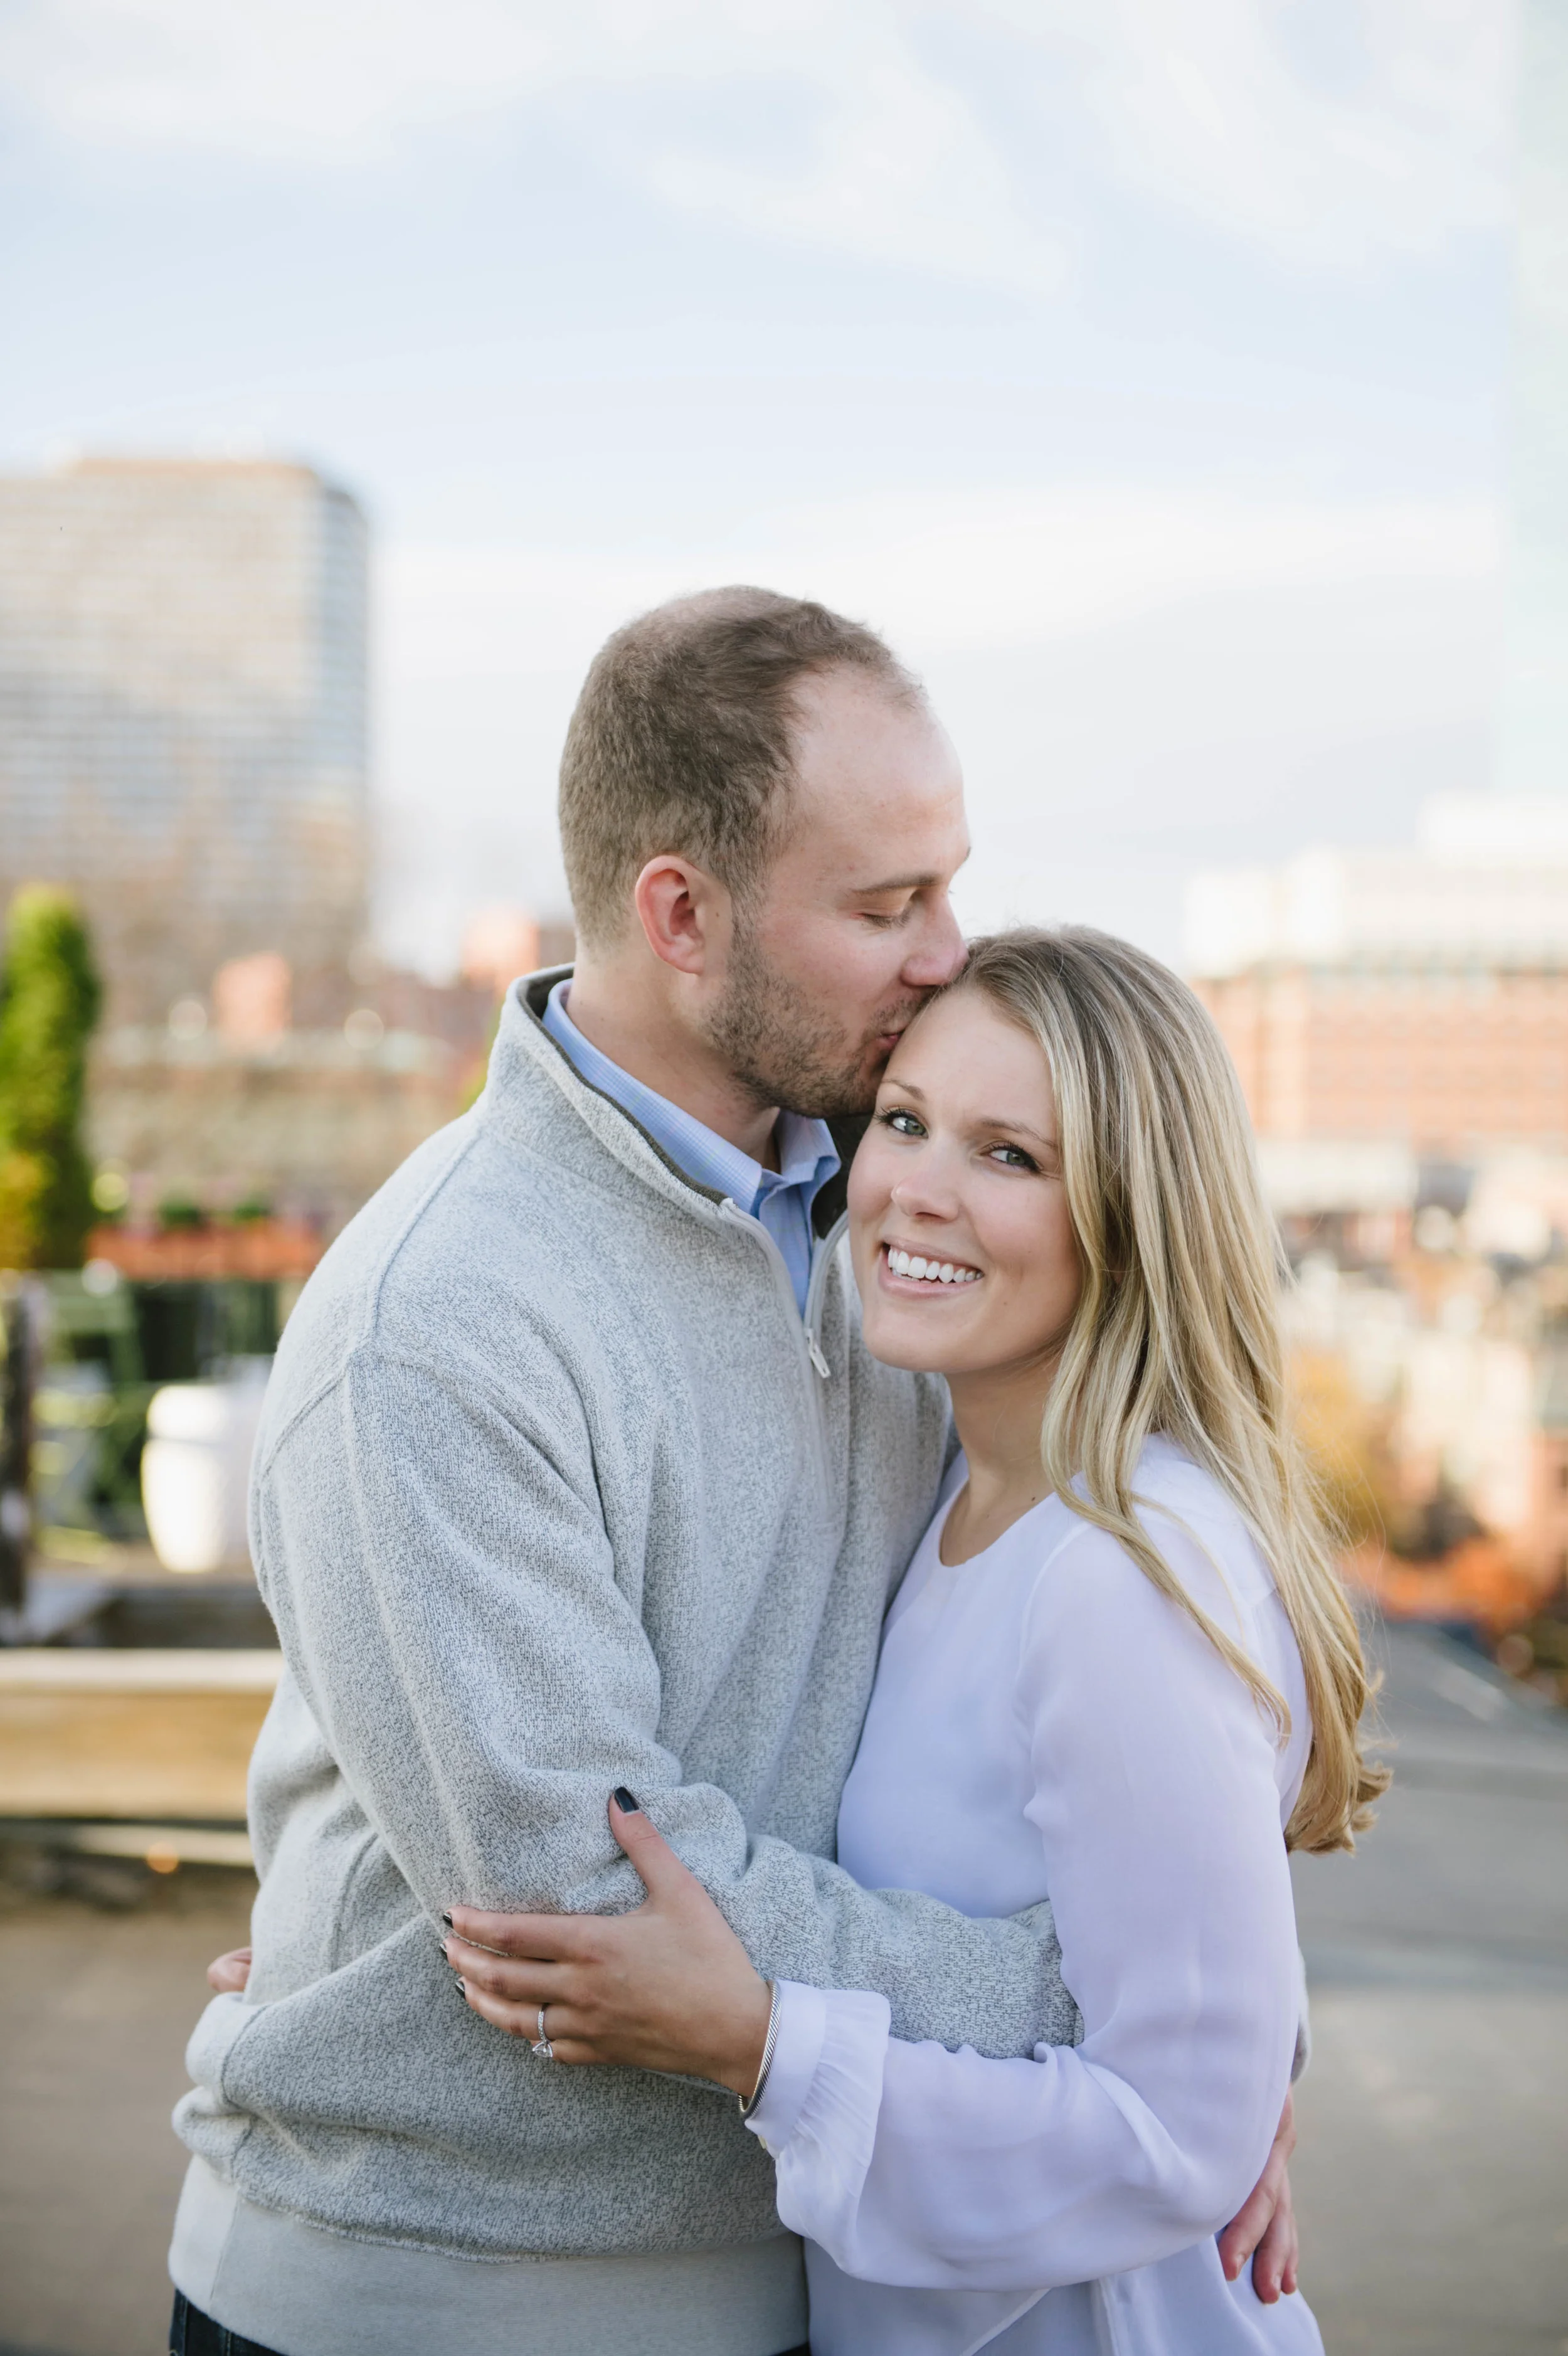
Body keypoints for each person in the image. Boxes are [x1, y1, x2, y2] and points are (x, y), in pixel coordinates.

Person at [175, 591, 1298, 2356]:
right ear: (679, 912)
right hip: (456, 2292)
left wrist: (1198, 2059)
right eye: (884, 905)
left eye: (947, 882)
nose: (949, 950)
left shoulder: (888, 1222)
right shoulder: (441, 1321)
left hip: (811, 2266)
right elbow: (596, 1901)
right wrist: (1127, 2042)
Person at [435, 928, 1388, 2353]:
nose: (913, 1193)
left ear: (1132, 1217)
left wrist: (760, 2043)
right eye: (902, 1122)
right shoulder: (937, 1479)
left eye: (1010, 1155)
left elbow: (1179, 2130)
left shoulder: (1121, 1575)